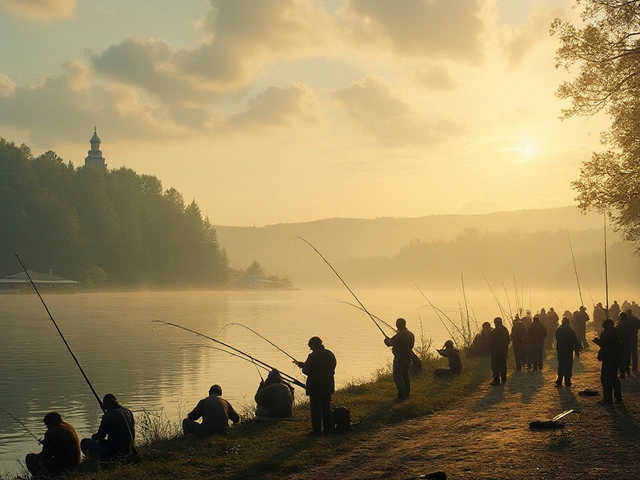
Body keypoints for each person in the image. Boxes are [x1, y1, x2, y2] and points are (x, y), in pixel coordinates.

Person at [295, 336, 337, 435]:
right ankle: (327, 428)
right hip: (328, 384)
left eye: (311, 347)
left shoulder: (313, 356)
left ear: (313, 346)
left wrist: (303, 366)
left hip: (315, 387)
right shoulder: (330, 354)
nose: (310, 349)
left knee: (316, 409)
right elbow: (333, 366)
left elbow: (307, 370)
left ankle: (317, 430)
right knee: (326, 407)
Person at [81, 394, 135, 461]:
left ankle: (99, 461)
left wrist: (93, 436)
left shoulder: (108, 416)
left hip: (115, 451)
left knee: (84, 442)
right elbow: (132, 431)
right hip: (128, 450)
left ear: (105, 406)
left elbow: (100, 437)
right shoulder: (128, 411)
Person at [25, 412, 80, 477]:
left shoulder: (53, 431)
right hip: (75, 463)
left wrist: (38, 456)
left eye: (47, 424)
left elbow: (46, 454)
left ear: (51, 422)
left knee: (30, 457)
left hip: (63, 466)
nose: (46, 427)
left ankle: (39, 476)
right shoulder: (69, 427)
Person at [384, 318, 415, 400]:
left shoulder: (400, 335)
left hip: (400, 359)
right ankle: (407, 393)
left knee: (397, 376)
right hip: (408, 358)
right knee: (405, 375)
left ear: (398, 325)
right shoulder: (410, 334)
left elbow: (390, 343)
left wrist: (386, 340)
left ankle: (401, 395)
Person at [593, 319, 623, 404]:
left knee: (605, 378)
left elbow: (603, 343)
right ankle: (618, 397)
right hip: (617, 357)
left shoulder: (606, 333)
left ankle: (607, 399)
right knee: (614, 377)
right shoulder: (617, 331)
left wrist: (596, 341)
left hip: (608, 357)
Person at [555, 317, 582, 386]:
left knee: (561, 365)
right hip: (569, 350)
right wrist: (577, 348)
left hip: (560, 350)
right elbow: (574, 339)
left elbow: (556, 338)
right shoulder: (570, 330)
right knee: (568, 365)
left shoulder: (559, 329)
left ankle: (559, 380)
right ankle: (567, 380)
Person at [488, 317, 510, 385]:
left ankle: (496, 380)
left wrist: (491, 348)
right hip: (504, 350)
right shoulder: (505, 330)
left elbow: (490, 342)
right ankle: (503, 378)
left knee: (495, 365)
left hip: (496, 351)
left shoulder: (494, 331)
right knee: (503, 364)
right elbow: (508, 341)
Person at [616, 311, 633, 379]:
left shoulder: (620, 324)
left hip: (622, 343)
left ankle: (622, 373)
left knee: (621, 359)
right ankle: (627, 369)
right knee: (626, 357)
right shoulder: (629, 324)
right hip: (628, 343)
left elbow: (616, 332)